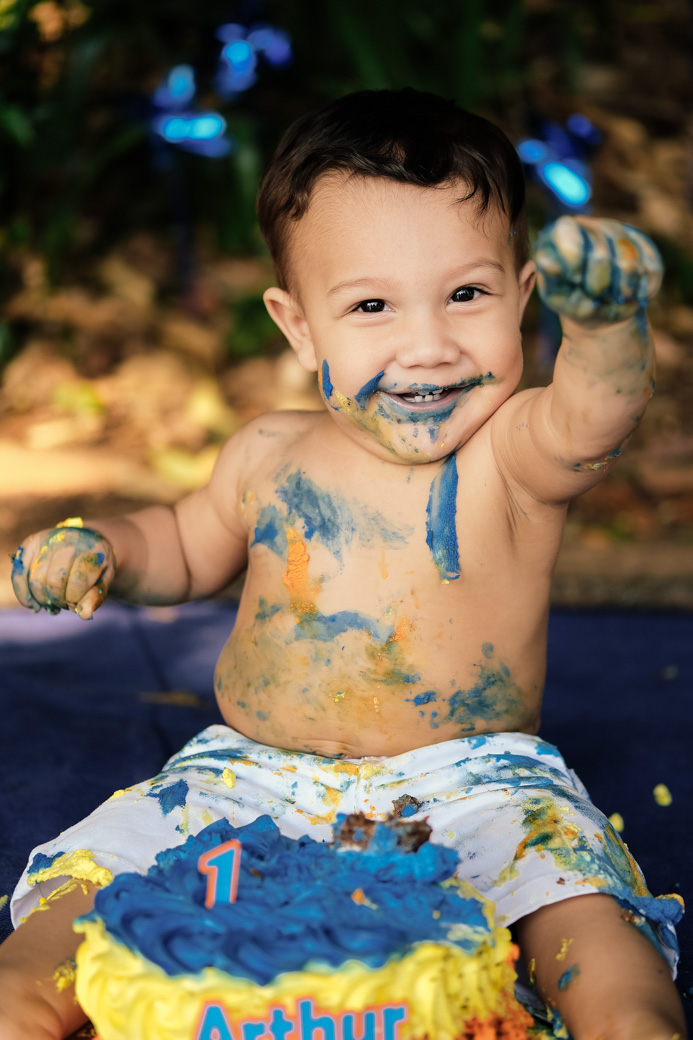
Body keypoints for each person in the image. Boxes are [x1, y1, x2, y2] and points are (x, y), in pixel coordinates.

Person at [1, 88, 685, 1040]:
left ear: (524, 298)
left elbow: (592, 417)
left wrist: (606, 330)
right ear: (298, 326)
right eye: (370, 304)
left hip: (473, 787)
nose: (427, 345)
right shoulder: (265, 453)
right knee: (57, 933)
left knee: (593, 938)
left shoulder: (509, 454)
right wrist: (104, 549)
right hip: (244, 779)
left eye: (466, 294)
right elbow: (184, 544)